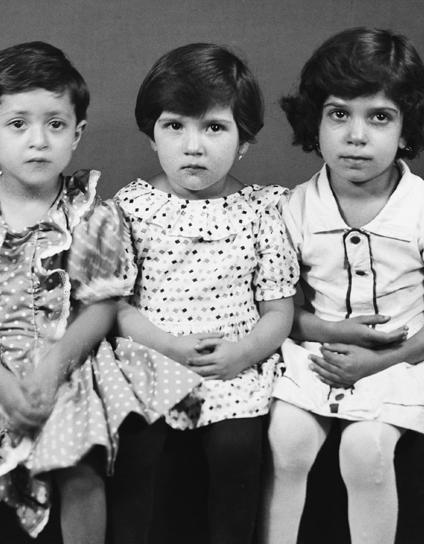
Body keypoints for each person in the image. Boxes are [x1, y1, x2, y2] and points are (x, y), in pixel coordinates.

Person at [0, 41, 200, 544]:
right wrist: (2, 383)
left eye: (55, 124)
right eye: (18, 124)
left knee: (78, 468)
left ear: (76, 134)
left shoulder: (92, 214)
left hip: (66, 364)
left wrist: (52, 368)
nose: (38, 141)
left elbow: (102, 306)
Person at [263, 27, 424, 544]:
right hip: (319, 350)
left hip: (404, 358)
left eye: (379, 116)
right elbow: (284, 310)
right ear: (315, 120)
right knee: (284, 442)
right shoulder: (293, 208)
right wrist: (336, 332)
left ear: (407, 129)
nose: (357, 135)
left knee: (365, 452)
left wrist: (378, 360)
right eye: (339, 114)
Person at [109, 43, 299, 544]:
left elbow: (279, 308)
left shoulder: (260, 212)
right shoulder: (130, 208)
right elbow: (120, 307)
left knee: (238, 450)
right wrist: (167, 346)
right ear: (153, 134)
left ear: (244, 142)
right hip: (151, 358)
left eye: (214, 127)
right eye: (175, 126)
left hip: (232, 364)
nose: (193, 146)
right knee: (136, 451)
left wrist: (243, 353)